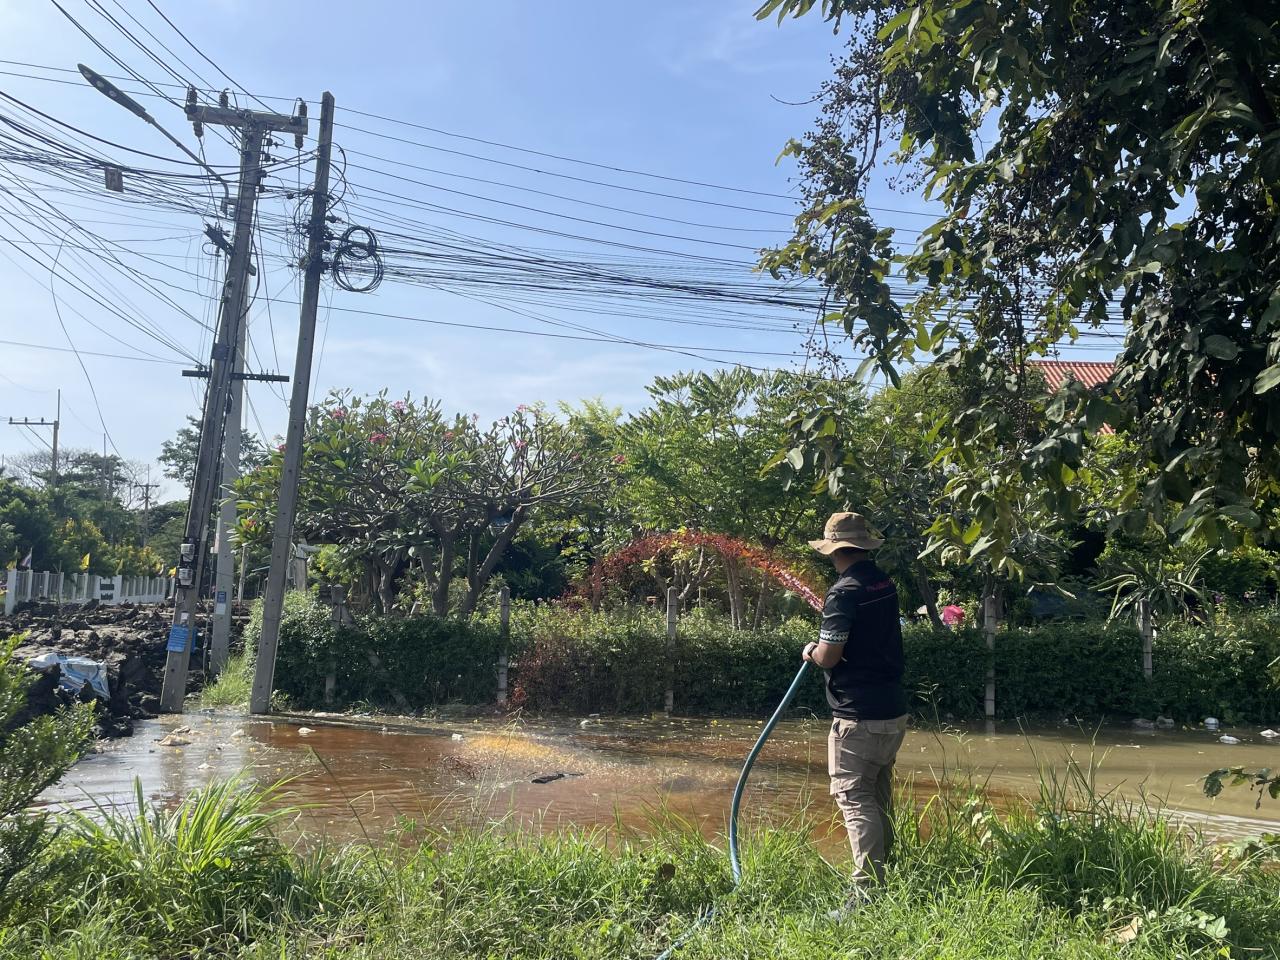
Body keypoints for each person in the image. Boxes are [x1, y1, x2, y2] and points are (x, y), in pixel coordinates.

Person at [803, 511, 908, 904]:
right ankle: (888, 873)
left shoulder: (843, 592)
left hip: (858, 717)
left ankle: (865, 894)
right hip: (893, 712)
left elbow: (830, 655)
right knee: (877, 794)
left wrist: (812, 652)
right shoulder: (883, 583)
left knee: (853, 797)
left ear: (834, 551)